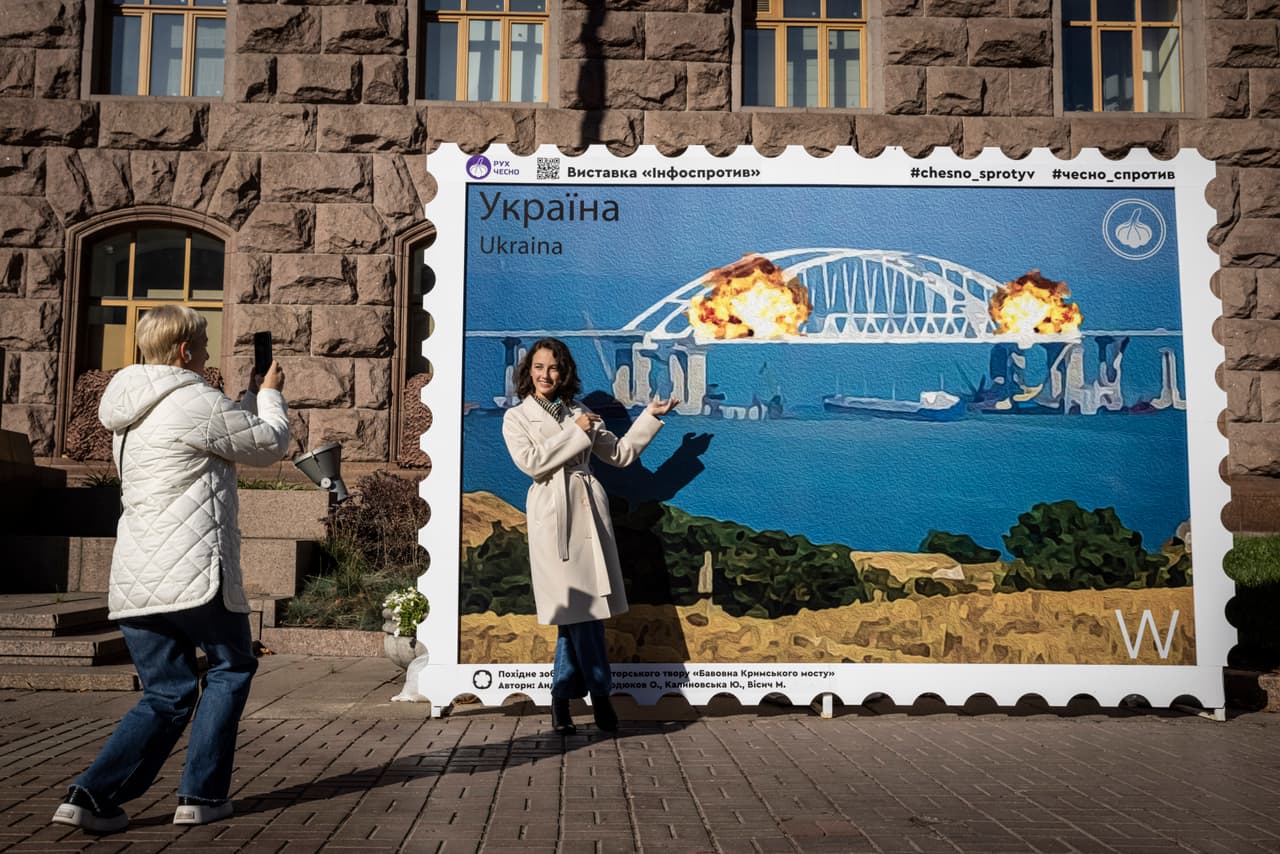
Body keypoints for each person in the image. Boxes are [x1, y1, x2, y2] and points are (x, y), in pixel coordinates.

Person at [51, 305, 290, 834]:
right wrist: (270, 394)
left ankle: (90, 795)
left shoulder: (128, 410)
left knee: (168, 692)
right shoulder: (193, 399)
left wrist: (247, 402)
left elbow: (222, 434)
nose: (207, 355)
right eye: (203, 346)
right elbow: (269, 444)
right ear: (184, 352)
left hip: (138, 578)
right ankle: (201, 796)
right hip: (195, 574)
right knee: (231, 668)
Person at [501, 337, 678, 735]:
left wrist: (649, 416)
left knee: (577, 616)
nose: (546, 375)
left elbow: (620, 455)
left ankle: (561, 703)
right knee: (583, 615)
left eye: (554, 368)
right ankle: (600, 697)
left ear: (564, 373)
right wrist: (575, 433)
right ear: (528, 373)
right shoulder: (517, 418)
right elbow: (532, 464)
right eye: (539, 368)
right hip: (554, 513)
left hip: (587, 509)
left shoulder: (579, 410)